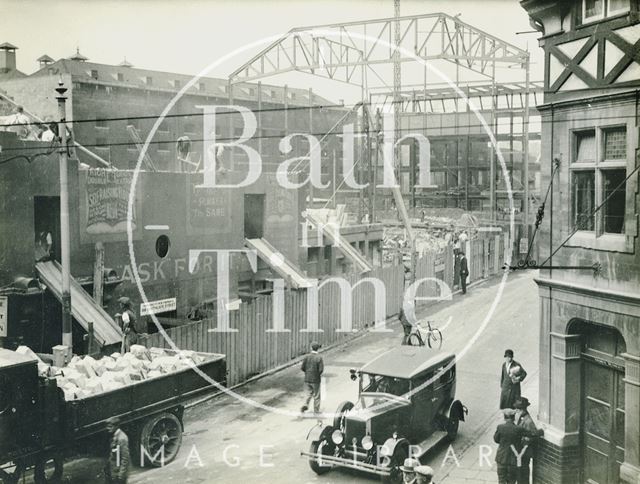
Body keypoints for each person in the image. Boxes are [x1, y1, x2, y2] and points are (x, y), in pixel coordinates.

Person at [514, 397, 543, 484]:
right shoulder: (522, 417)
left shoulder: (528, 421)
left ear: (522, 409)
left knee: (523, 472)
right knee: (520, 471)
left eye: (517, 409)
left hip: (524, 451)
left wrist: (523, 440)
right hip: (521, 450)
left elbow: (533, 435)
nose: (516, 411)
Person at [493, 409, 525, 484]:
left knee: (501, 480)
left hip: (501, 458)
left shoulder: (500, 427)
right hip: (513, 460)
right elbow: (530, 434)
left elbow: (496, 439)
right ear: (513, 418)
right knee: (512, 481)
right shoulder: (518, 429)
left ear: (505, 418)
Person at [104, 417, 130, 484]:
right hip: (114, 471)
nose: (108, 428)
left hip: (118, 473)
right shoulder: (115, 435)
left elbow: (125, 458)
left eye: (110, 427)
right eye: (107, 427)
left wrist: (121, 474)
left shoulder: (121, 438)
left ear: (116, 426)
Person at [301, 341, 323, 416]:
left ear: (311, 348)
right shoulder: (319, 358)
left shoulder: (306, 357)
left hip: (307, 378)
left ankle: (305, 404)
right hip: (316, 379)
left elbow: (302, 367)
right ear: (318, 349)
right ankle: (316, 411)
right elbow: (321, 370)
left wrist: (307, 373)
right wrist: (316, 375)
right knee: (316, 395)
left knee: (309, 393)